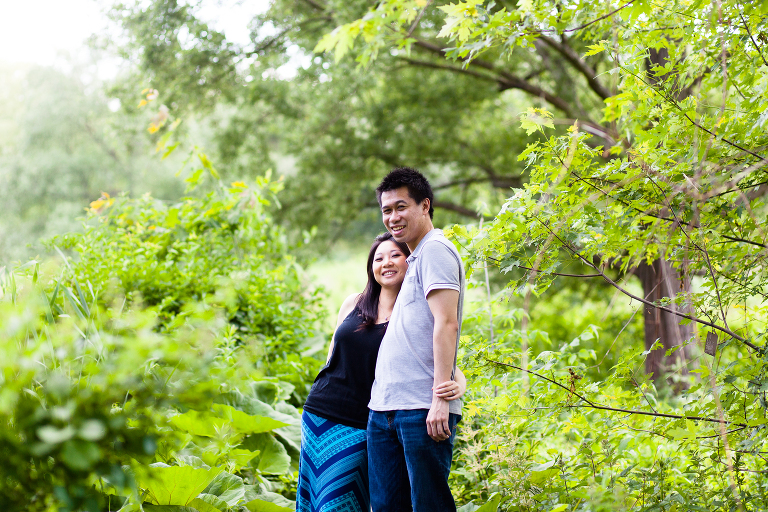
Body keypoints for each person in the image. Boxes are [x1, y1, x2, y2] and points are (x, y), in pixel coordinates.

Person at [296, 232, 466, 512]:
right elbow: (333, 356)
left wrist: (458, 383)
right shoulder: (354, 302)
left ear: (410, 261)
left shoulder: (413, 310)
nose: (386, 262)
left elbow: (437, 355)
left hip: (363, 420)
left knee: (340, 502)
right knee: (315, 501)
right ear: (371, 266)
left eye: (395, 255)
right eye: (379, 257)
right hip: (320, 414)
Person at [367, 167, 466, 512]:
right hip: (384, 408)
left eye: (401, 207)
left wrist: (441, 397)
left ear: (425, 206)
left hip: (421, 409)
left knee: (429, 505)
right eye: (386, 210)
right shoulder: (415, 258)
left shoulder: (436, 250)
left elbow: (447, 324)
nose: (393, 217)